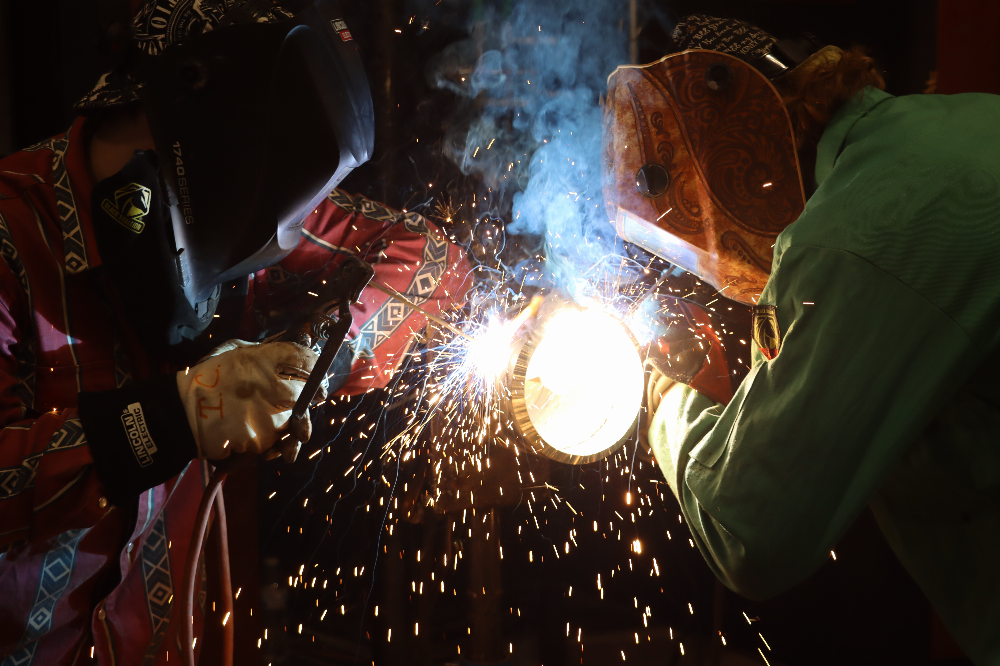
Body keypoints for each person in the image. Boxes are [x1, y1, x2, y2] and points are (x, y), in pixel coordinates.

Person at [0, 1, 471, 664]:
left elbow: (432, 257)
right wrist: (172, 415)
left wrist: (312, 360)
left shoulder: (244, 235)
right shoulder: (12, 234)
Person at [605, 14, 1000, 664]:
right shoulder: (953, 127)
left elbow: (752, 529)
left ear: (726, 139)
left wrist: (664, 404)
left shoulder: (849, 235)